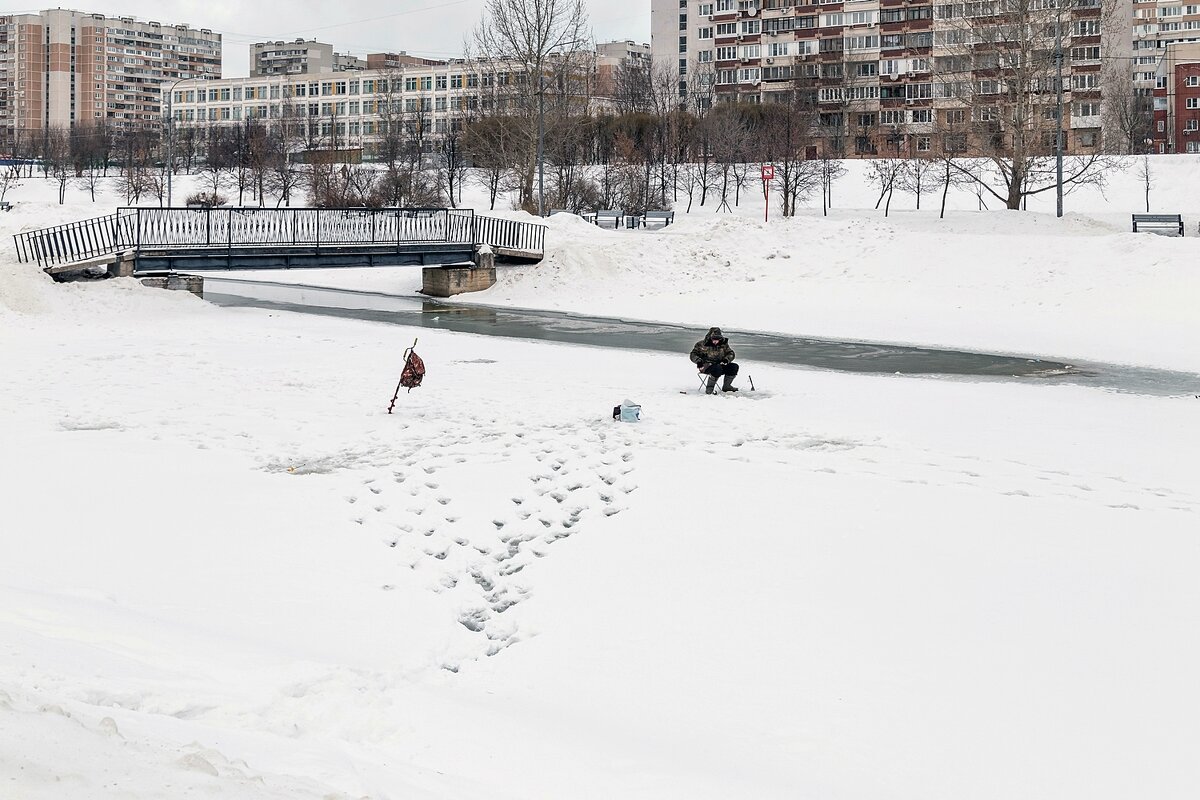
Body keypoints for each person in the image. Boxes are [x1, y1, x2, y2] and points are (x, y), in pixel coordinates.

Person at [690, 326, 739, 394]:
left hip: (720, 364)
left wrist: (726, 360)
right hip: (706, 366)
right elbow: (693, 354)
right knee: (717, 368)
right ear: (710, 337)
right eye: (714, 339)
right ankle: (709, 389)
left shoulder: (723, 344)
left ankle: (726, 386)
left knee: (734, 366)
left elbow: (731, 353)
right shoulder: (701, 344)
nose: (715, 341)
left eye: (717, 339)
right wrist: (699, 361)